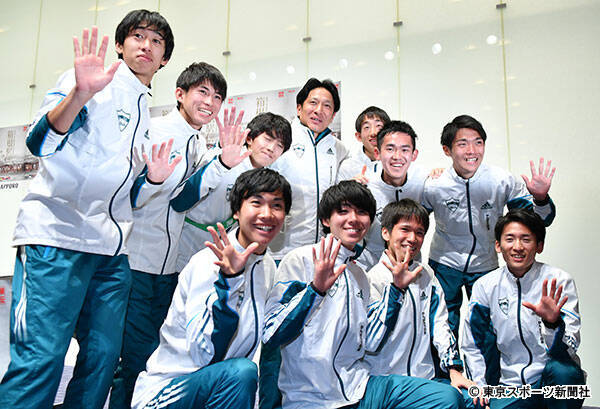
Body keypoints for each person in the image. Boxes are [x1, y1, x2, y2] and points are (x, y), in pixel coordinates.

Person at [0, 10, 174, 409]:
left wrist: (152, 181)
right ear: (120, 44)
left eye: (156, 41)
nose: (146, 45)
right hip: (56, 239)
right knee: (42, 360)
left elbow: (122, 198)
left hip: (110, 253)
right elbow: (40, 143)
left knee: (102, 360)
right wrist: (80, 94)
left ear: (164, 59)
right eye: (138, 36)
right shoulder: (91, 84)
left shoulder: (144, 111)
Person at [110, 62, 251, 409]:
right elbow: (130, 197)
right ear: (179, 94)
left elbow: (185, 200)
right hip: (136, 263)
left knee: (156, 360)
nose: (210, 102)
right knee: (133, 360)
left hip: (168, 269)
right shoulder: (155, 131)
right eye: (202, 92)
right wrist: (153, 180)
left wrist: (222, 162)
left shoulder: (196, 140)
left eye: (217, 97)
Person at [262, 181, 464, 409]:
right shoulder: (301, 259)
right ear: (326, 220)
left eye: (361, 212)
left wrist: (396, 290)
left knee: (448, 398)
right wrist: (315, 290)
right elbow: (271, 334)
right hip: (312, 398)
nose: (354, 219)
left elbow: (372, 342)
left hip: (362, 388)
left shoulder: (359, 275)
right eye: (343, 211)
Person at [131, 168, 292, 409]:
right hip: (168, 391)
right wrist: (230, 281)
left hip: (217, 390)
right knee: (242, 372)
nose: (267, 214)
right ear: (236, 211)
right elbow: (204, 353)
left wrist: (315, 291)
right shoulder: (208, 262)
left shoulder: (267, 266)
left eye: (277, 206)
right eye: (256, 203)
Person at [422, 114, 556, 338]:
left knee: (488, 328)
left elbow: (537, 222)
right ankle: (447, 364)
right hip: (444, 263)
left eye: (478, 142)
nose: (472, 151)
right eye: (462, 144)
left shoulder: (501, 180)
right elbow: (412, 221)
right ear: (447, 150)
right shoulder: (434, 185)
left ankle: (486, 364)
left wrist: (541, 199)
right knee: (442, 325)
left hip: (485, 264)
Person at [366, 199, 484, 409]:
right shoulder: (372, 279)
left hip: (426, 378)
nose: (412, 238)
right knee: (450, 399)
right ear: (386, 233)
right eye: (405, 229)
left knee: (478, 401)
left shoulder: (426, 274)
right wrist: (396, 290)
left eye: (419, 232)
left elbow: (441, 325)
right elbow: (372, 341)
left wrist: (454, 371)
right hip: (388, 383)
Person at [462, 209, 585, 409]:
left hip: (551, 379)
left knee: (565, 372)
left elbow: (570, 348)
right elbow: (474, 344)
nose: (517, 247)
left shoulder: (559, 281)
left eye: (526, 239)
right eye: (510, 239)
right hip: (510, 387)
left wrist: (552, 324)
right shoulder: (485, 286)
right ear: (498, 245)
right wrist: (480, 386)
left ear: (539, 246)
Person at [173, 112, 292, 274]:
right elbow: (181, 199)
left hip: (225, 250)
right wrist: (222, 164)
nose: (272, 148)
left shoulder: (264, 180)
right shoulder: (222, 159)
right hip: (188, 242)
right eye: (268, 139)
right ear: (249, 138)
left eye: (279, 145)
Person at [268, 77, 348, 263]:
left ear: (333, 115)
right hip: (280, 250)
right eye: (313, 102)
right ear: (299, 108)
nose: (319, 110)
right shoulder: (279, 140)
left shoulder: (339, 149)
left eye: (327, 106)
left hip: (321, 253)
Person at [362, 120, 429, 263]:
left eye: (405, 150)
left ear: (414, 155)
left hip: (411, 263)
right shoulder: (366, 187)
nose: (397, 156)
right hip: (371, 265)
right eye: (390, 149)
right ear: (377, 153)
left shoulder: (423, 183)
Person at [337, 105, 390, 181]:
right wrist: (351, 186)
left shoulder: (397, 163)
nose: (373, 133)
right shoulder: (348, 167)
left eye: (379, 126)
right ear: (359, 136)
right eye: (367, 127)